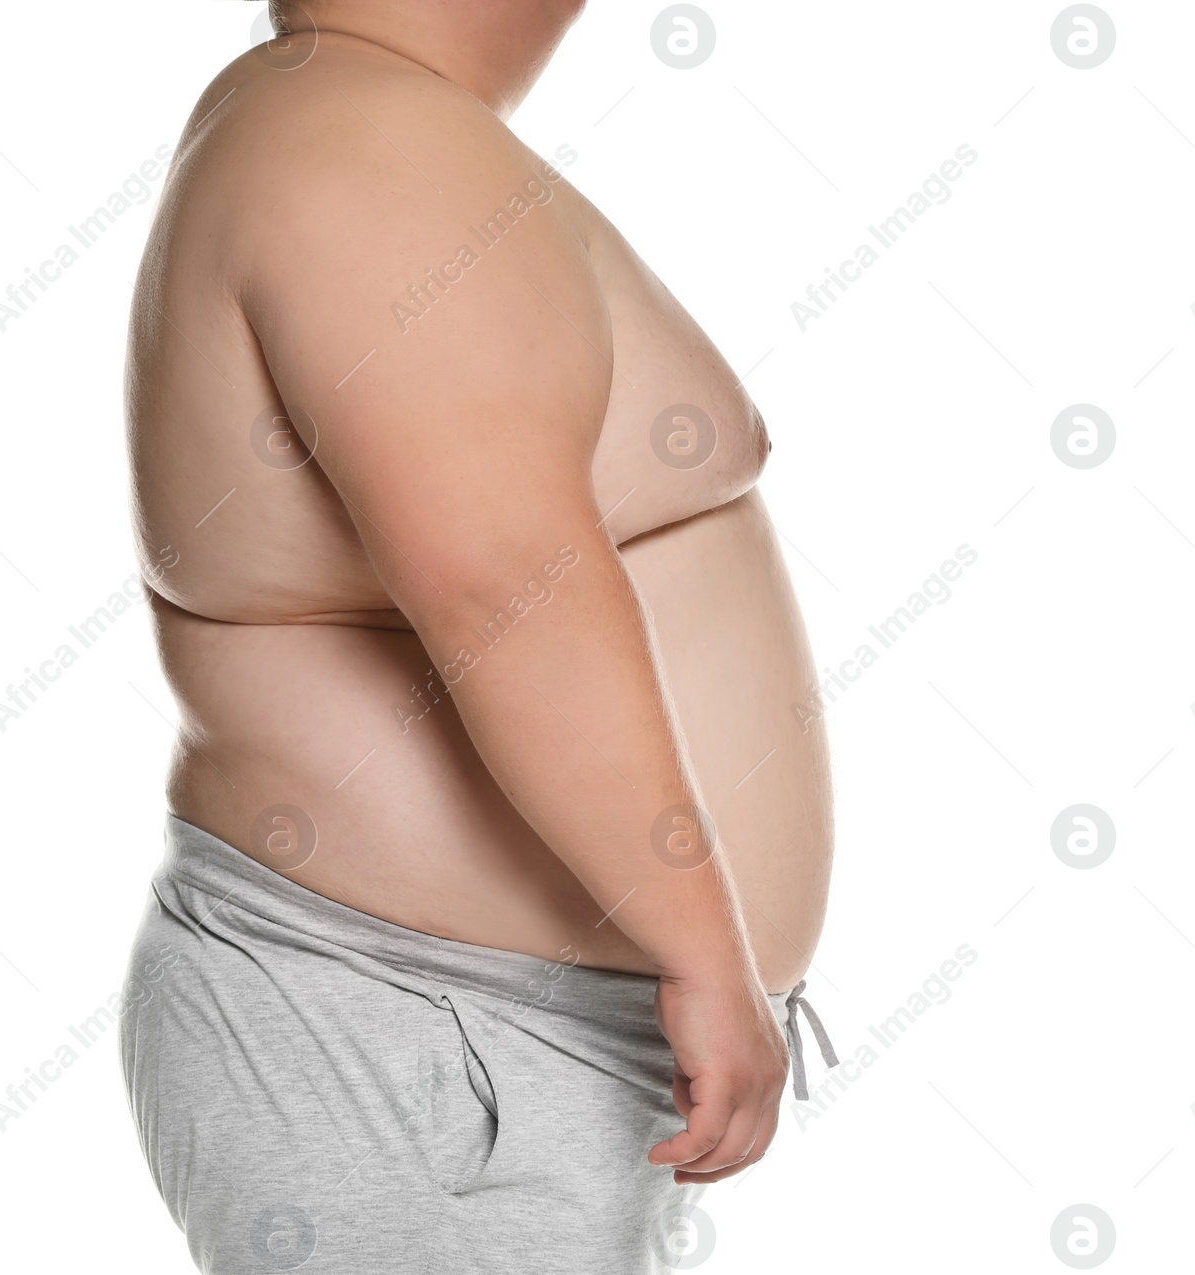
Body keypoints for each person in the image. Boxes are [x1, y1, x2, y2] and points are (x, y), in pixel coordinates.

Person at [117, 2, 835, 1269]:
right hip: (428, 1045)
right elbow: (506, 590)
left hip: (465, 1051)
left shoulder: (366, 126)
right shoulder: (362, 144)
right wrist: (702, 955)